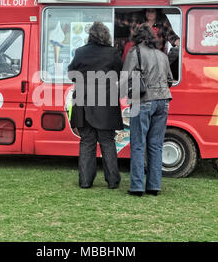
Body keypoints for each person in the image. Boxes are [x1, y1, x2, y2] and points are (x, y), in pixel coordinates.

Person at [68, 22, 123, 189]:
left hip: (83, 104)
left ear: (90, 35)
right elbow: (120, 73)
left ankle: (85, 181)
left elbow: (71, 74)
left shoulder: (80, 52)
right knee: (107, 142)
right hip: (106, 104)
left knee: (87, 142)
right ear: (106, 36)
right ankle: (113, 181)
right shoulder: (112, 53)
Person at [121, 24, 173, 197]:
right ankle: (154, 186)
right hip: (164, 101)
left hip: (142, 100)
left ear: (137, 37)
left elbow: (125, 76)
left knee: (138, 144)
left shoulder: (134, 52)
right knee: (156, 145)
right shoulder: (162, 55)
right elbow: (169, 80)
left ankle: (137, 186)